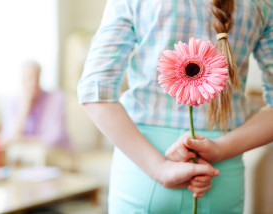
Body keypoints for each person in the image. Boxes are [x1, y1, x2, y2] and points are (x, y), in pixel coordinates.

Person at [77, 0, 273, 213]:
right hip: (220, 175)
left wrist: (160, 169)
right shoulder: (261, 3)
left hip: (142, 173)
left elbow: (94, 90)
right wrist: (220, 149)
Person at [0, 60, 73, 151]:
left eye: (37, 78)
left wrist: (22, 141)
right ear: (21, 80)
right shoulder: (10, 102)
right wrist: (25, 108)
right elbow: (7, 137)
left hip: (54, 152)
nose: (33, 83)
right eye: (29, 78)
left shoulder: (56, 98)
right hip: (26, 153)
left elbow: (54, 137)